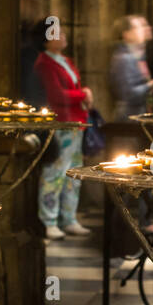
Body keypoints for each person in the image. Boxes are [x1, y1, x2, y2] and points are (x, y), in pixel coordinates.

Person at [34, 20, 91, 240]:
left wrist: (83, 95)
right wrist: (84, 94)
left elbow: (74, 88)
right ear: (46, 39)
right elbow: (56, 95)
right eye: (57, 32)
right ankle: (49, 220)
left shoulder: (66, 60)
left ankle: (69, 218)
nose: (63, 35)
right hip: (60, 122)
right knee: (55, 173)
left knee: (74, 173)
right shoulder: (44, 63)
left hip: (76, 121)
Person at [109, 15, 153, 120]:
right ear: (127, 34)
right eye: (138, 27)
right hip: (129, 118)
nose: (144, 29)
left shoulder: (138, 56)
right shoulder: (124, 59)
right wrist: (150, 85)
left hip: (138, 115)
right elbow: (127, 94)